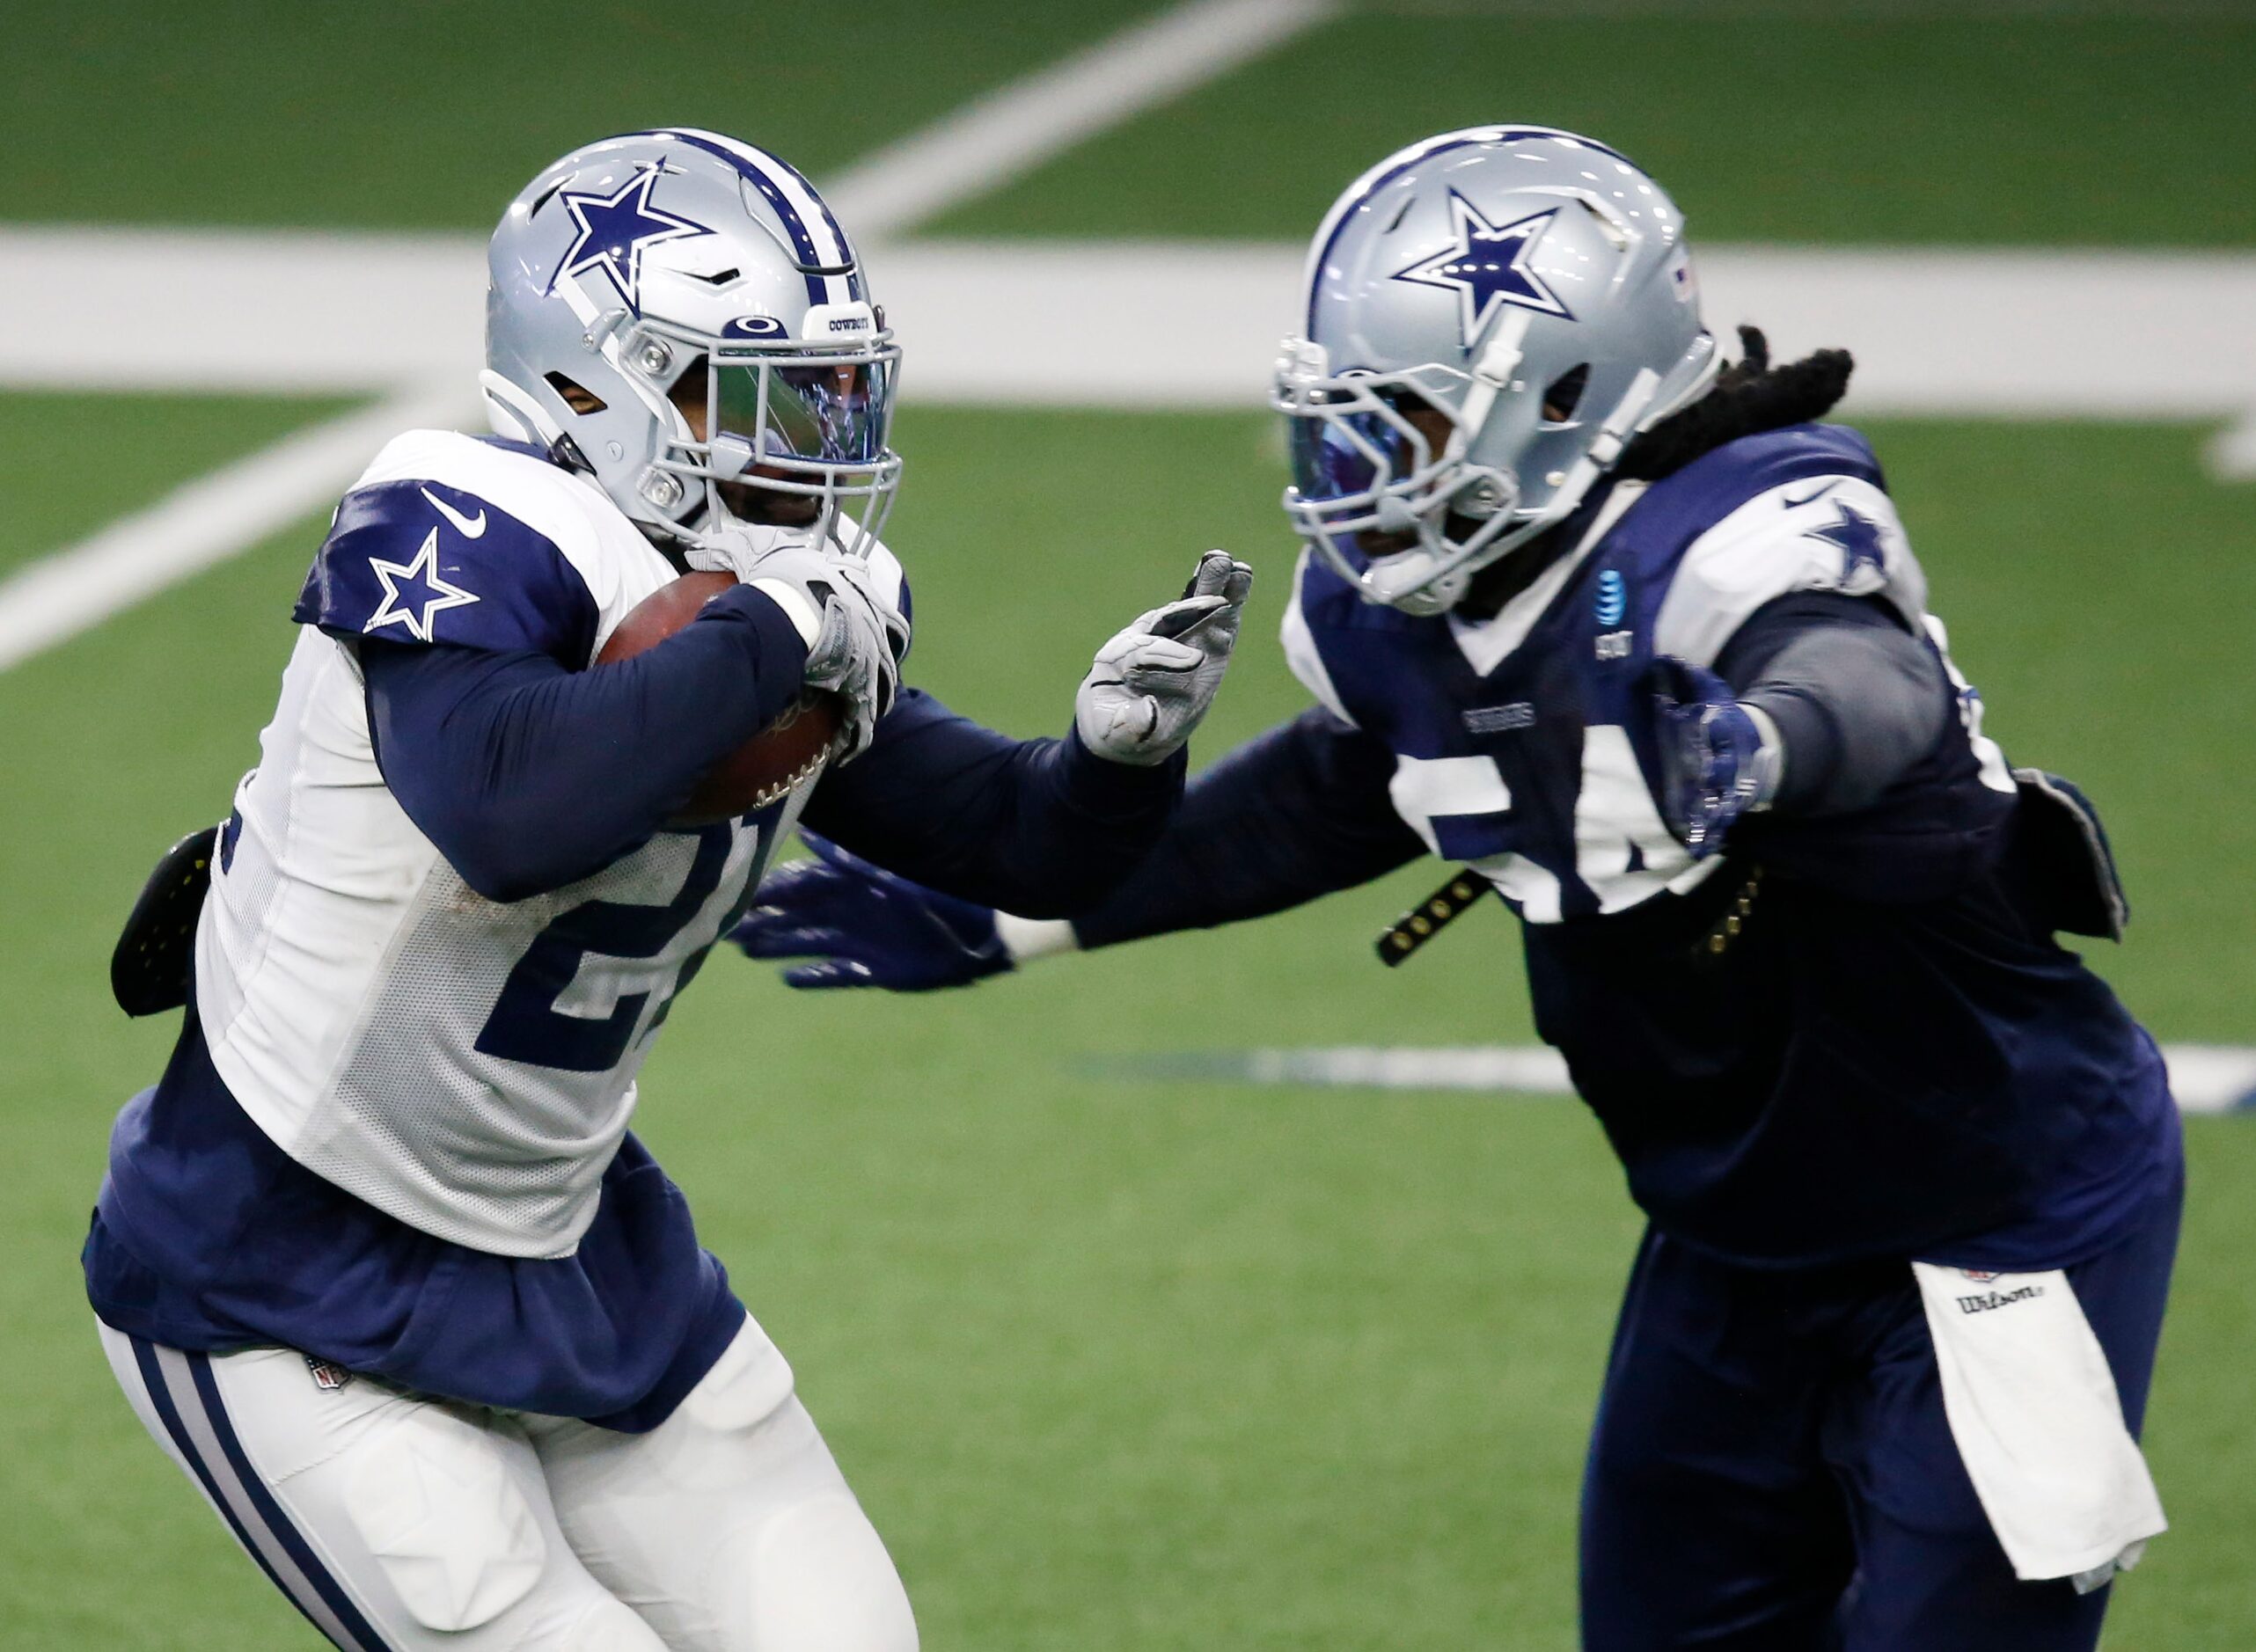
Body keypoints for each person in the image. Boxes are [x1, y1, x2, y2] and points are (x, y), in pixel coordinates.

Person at [736, 127, 2179, 1652]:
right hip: (1731, 1231)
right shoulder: (1418, 608)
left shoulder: (1743, 538)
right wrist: (1023, 910)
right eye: (1346, 425)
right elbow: (1344, 791)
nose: (1361, 472)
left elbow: (1860, 683)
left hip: (1997, 1229)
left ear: (1571, 396)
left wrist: (1754, 748)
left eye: (1412, 419)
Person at [84, 128, 1251, 1652]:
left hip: (575, 1245)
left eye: (832, 387)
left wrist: (1115, 761)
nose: (811, 437)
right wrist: (767, 636)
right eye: (749, 386)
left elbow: (1018, 844)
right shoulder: (458, 514)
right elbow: (511, 809)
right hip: (287, 1259)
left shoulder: (787, 597)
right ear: (592, 380)